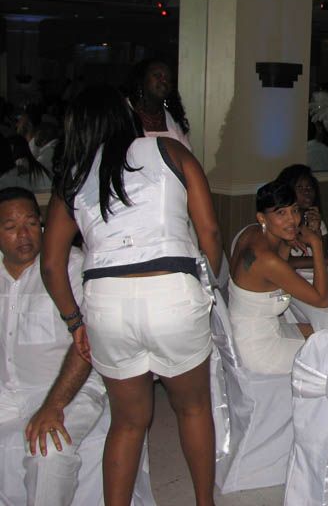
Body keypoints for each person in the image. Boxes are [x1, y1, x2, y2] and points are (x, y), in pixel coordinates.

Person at [40, 85, 221, 506]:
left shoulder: (72, 175)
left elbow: (52, 266)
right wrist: (211, 287)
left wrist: (75, 322)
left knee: (127, 422)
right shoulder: (169, 152)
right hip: (172, 292)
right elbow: (210, 233)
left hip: (106, 304)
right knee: (193, 409)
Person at [0, 187, 106, 505]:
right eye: (10, 227)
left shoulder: (69, 267)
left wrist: (53, 405)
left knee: (50, 450)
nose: (24, 234)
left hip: (69, 389)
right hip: (8, 392)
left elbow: (86, 342)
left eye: (32, 223)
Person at [228, 180, 328, 374]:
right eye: (281, 213)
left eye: (295, 210)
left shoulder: (251, 233)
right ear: (262, 218)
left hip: (252, 334)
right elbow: (322, 300)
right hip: (261, 352)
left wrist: (287, 242)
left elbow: (273, 282)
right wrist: (315, 243)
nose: (292, 220)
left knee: (327, 331)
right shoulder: (266, 259)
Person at [125, 59, 192, 150]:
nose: (164, 81)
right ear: (142, 79)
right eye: (157, 75)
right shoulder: (123, 112)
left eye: (168, 78)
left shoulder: (174, 117)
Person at [276, 164, 328, 267]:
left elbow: (323, 256)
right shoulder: (280, 223)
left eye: (309, 187)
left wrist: (317, 232)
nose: (306, 191)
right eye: (300, 187)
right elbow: (287, 261)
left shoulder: (315, 220)